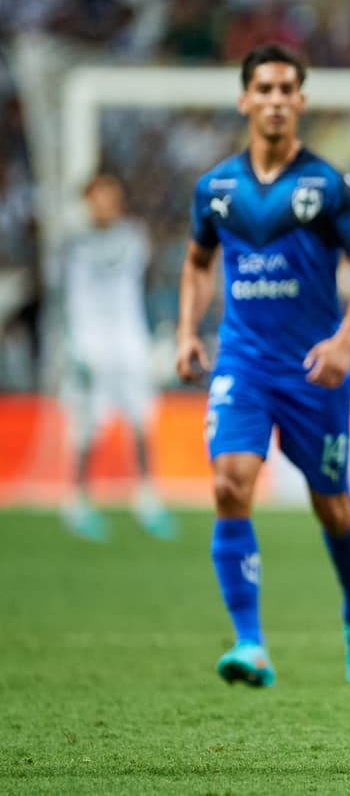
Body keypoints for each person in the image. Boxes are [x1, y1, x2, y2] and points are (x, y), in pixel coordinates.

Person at [177, 43, 350, 688]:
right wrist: (188, 330)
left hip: (313, 370)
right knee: (229, 485)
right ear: (245, 100)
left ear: (300, 101)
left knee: (333, 509)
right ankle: (251, 645)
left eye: (285, 89)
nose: (273, 100)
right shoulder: (214, 190)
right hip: (243, 362)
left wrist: (347, 340)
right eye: (262, 88)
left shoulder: (327, 184)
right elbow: (197, 261)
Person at [60, 174, 176, 542]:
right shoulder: (74, 246)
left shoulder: (134, 237)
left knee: (142, 420)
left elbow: (152, 282)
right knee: (88, 424)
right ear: (87, 201)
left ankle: (147, 497)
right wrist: (71, 343)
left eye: (110, 197)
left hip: (130, 343)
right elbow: (63, 297)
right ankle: (78, 499)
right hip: (91, 346)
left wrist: (161, 328)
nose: (104, 205)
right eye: (97, 198)